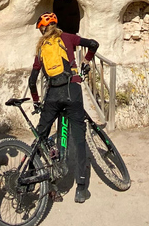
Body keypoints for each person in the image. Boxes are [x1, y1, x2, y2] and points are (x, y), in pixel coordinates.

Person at [28, 12, 99, 203]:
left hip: (52, 95)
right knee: (79, 139)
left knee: (40, 135)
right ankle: (81, 189)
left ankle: (29, 174)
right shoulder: (67, 37)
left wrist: (36, 101)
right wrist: (85, 62)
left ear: (42, 29)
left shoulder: (41, 47)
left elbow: (32, 81)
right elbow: (93, 44)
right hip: (72, 91)